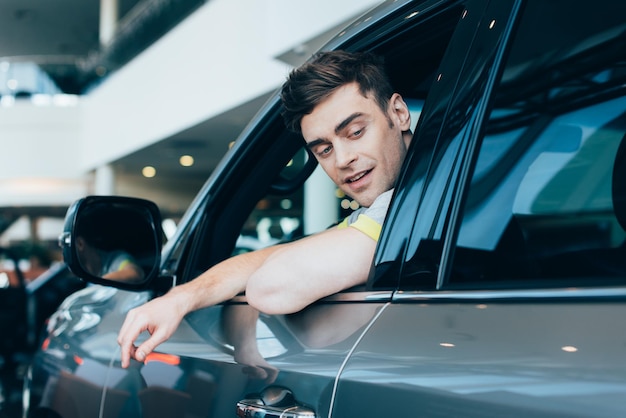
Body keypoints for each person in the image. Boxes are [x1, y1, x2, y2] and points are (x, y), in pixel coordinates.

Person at [117, 50, 413, 368]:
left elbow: (270, 287)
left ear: (397, 112)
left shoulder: (408, 202)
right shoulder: (405, 204)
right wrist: (179, 298)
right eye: (324, 149)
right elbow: (274, 255)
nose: (342, 160)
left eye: (355, 132)